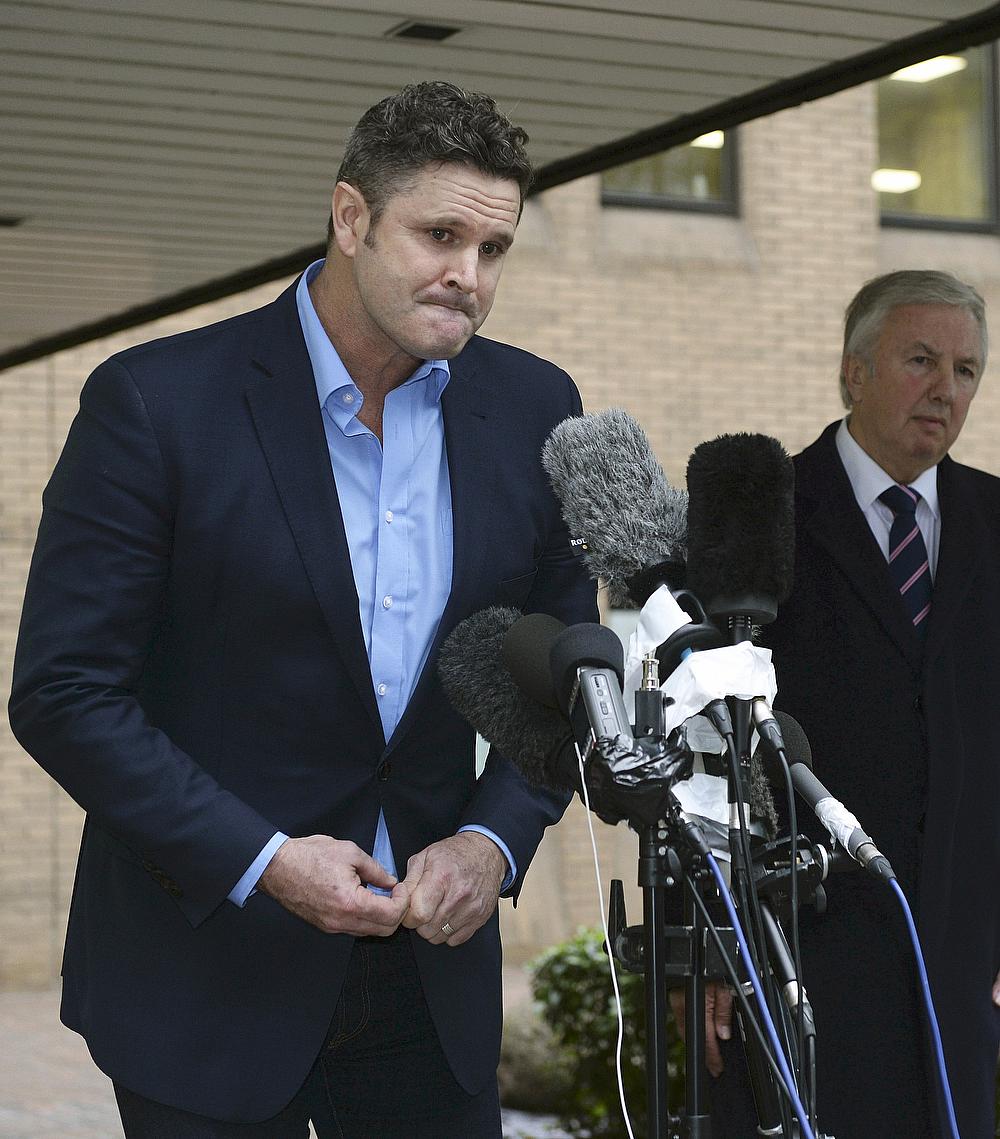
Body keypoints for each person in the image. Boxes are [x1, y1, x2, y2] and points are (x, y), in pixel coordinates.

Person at [8, 81, 597, 1137]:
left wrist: (491, 843)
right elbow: (64, 692)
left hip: (432, 991)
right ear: (350, 217)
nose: (467, 276)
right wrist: (264, 858)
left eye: (494, 248)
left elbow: (556, 676)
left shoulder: (534, 407)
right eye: (439, 233)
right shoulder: (155, 401)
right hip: (205, 976)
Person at [701, 270, 1000, 1138]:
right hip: (795, 955)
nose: (946, 388)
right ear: (854, 371)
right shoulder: (759, 509)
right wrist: (715, 940)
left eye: (968, 370)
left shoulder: (996, 518)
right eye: (920, 359)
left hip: (958, 968)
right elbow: (702, 742)